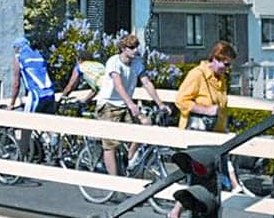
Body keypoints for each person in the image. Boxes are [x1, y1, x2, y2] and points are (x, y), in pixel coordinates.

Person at [95, 33, 164, 178]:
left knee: (146, 123)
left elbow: (146, 82)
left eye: (136, 47)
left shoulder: (137, 62)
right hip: (109, 104)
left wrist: (160, 103)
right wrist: (131, 104)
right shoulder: (113, 62)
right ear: (123, 48)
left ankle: (130, 154)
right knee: (110, 145)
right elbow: (118, 85)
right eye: (131, 47)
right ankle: (115, 183)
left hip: (125, 104)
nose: (134, 50)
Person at [175, 40, 235, 132]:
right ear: (215, 58)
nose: (228, 69)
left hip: (216, 135)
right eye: (226, 64)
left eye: (229, 65)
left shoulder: (221, 78)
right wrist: (206, 110)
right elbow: (180, 101)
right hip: (195, 134)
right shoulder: (197, 74)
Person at [7, 38, 57, 115]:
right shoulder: (39, 55)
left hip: (36, 95)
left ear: (17, 47)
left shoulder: (19, 57)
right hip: (50, 94)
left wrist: (12, 104)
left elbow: (16, 84)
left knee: (28, 123)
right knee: (47, 125)